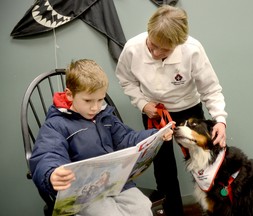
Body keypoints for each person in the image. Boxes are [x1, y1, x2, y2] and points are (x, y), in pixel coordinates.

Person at [115, 5, 228, 216]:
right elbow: (126, 80)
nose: (156, 52)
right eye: (152, 45)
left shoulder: (192, 49)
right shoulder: (132, 48)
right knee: (163, 168)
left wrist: (220, 119)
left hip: (188, 110)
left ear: (178, 44)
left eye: (164, 50)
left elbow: (211, 89)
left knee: (205, 162)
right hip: (154, 112)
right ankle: (173, 212)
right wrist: (142, 103)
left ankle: (215, 209)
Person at [29, 59, 174, 216]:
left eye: (100, 99)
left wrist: (155, 135)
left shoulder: (105, 117)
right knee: (109, 213)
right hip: (84, 195)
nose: (95, 107)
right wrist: (51, 174)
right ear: (69, 95)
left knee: (142, 206)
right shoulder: (56, 124)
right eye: (88, 100)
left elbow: (126, 139)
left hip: (116, 184)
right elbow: (47, 155)